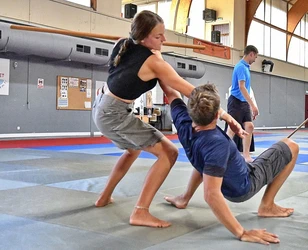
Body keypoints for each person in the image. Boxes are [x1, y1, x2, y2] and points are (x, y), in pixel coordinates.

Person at [92, 10, 244, 228]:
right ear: (143, 38)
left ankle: (104, 197)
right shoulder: (153, 63)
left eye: (163, 34)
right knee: (169, 153)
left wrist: (157, 52)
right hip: (113, 114)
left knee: (132, 150)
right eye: (158, 36)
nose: (164, 39)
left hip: (103, 106)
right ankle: (140, 212)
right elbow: (190, 90)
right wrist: (224, 114)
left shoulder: (123, 44)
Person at [160, 82, 299, 244]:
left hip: (218, 173)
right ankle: (267, 205)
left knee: (205, 159)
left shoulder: (184, 125)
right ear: (217, 115)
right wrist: (241, 232)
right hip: (244, 186)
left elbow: (171, 92)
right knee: (292, 146)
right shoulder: (218, 143)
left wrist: (154, 60)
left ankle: (184, 198)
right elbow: (211, 194)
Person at [226, 45, 259, 162]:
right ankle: (223, 153)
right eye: (255, 56)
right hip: (235, 101)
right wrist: (253, 105)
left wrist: (250, 104)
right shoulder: (240, 67)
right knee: (233, 128)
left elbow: (247, 89)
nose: (255, 59)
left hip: (244, 102)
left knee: (249, 126)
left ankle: (246, 155)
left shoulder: (246, 68)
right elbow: (242, 87)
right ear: (251, 54)